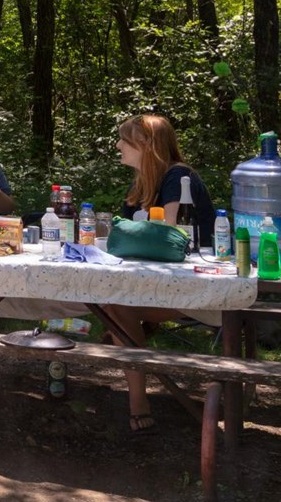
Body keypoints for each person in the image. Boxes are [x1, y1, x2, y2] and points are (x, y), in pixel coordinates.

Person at [106, 113, 215, 434]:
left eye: (123, 140)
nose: (117, 145)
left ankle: (138, 401)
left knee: (114, 309)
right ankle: (137, 396)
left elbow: (168, 234)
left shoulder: (178, 178)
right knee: (110, 306)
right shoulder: (143, 182)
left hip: (197, 287)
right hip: (156, 282)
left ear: (145, 144)